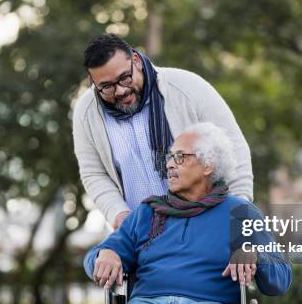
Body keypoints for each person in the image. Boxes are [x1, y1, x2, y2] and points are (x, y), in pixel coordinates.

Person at [84, 123, 292, 304]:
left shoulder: (241, 213)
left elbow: (281, 278)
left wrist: (255, 254)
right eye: (170, 157)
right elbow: (95, 258)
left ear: (208, 165)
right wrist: (104, 254)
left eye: (180, 157)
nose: (170, 164)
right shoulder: (148, 212)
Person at [73, 34, 253, 229]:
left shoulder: (188, 87)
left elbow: (233, 150)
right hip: (143, 237)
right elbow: (94, 173)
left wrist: (239, 219)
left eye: (125, 78)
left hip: (207, 226)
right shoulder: (86, 112)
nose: (120, 91)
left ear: (136, 61)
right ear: (93, 82)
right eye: (106, 87)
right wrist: (119, 214)